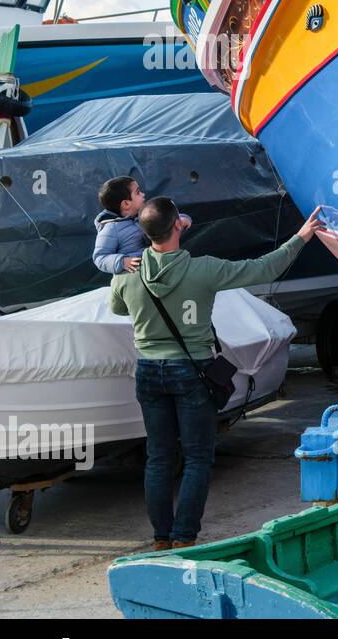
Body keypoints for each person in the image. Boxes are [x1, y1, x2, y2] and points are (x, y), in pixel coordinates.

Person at [109, 196, 324, 550]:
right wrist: (301, 236)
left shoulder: (126, 278)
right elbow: (263, 268)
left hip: (148, 371)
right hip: (191, 371)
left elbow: (117, 307)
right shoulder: (203, 269)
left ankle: (161, 537)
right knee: (197, 457)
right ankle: (184, 536)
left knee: (159, 458)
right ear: (179, 225)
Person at [93, 176, 191, 275]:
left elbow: (165, 218)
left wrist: (181, 219)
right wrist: (122, 261)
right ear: (126, 204)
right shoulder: (110, 229)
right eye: (138, 192)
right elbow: (100, 257)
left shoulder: (145, 214)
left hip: (161, 266)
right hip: (136, 276)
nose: (143, 194)